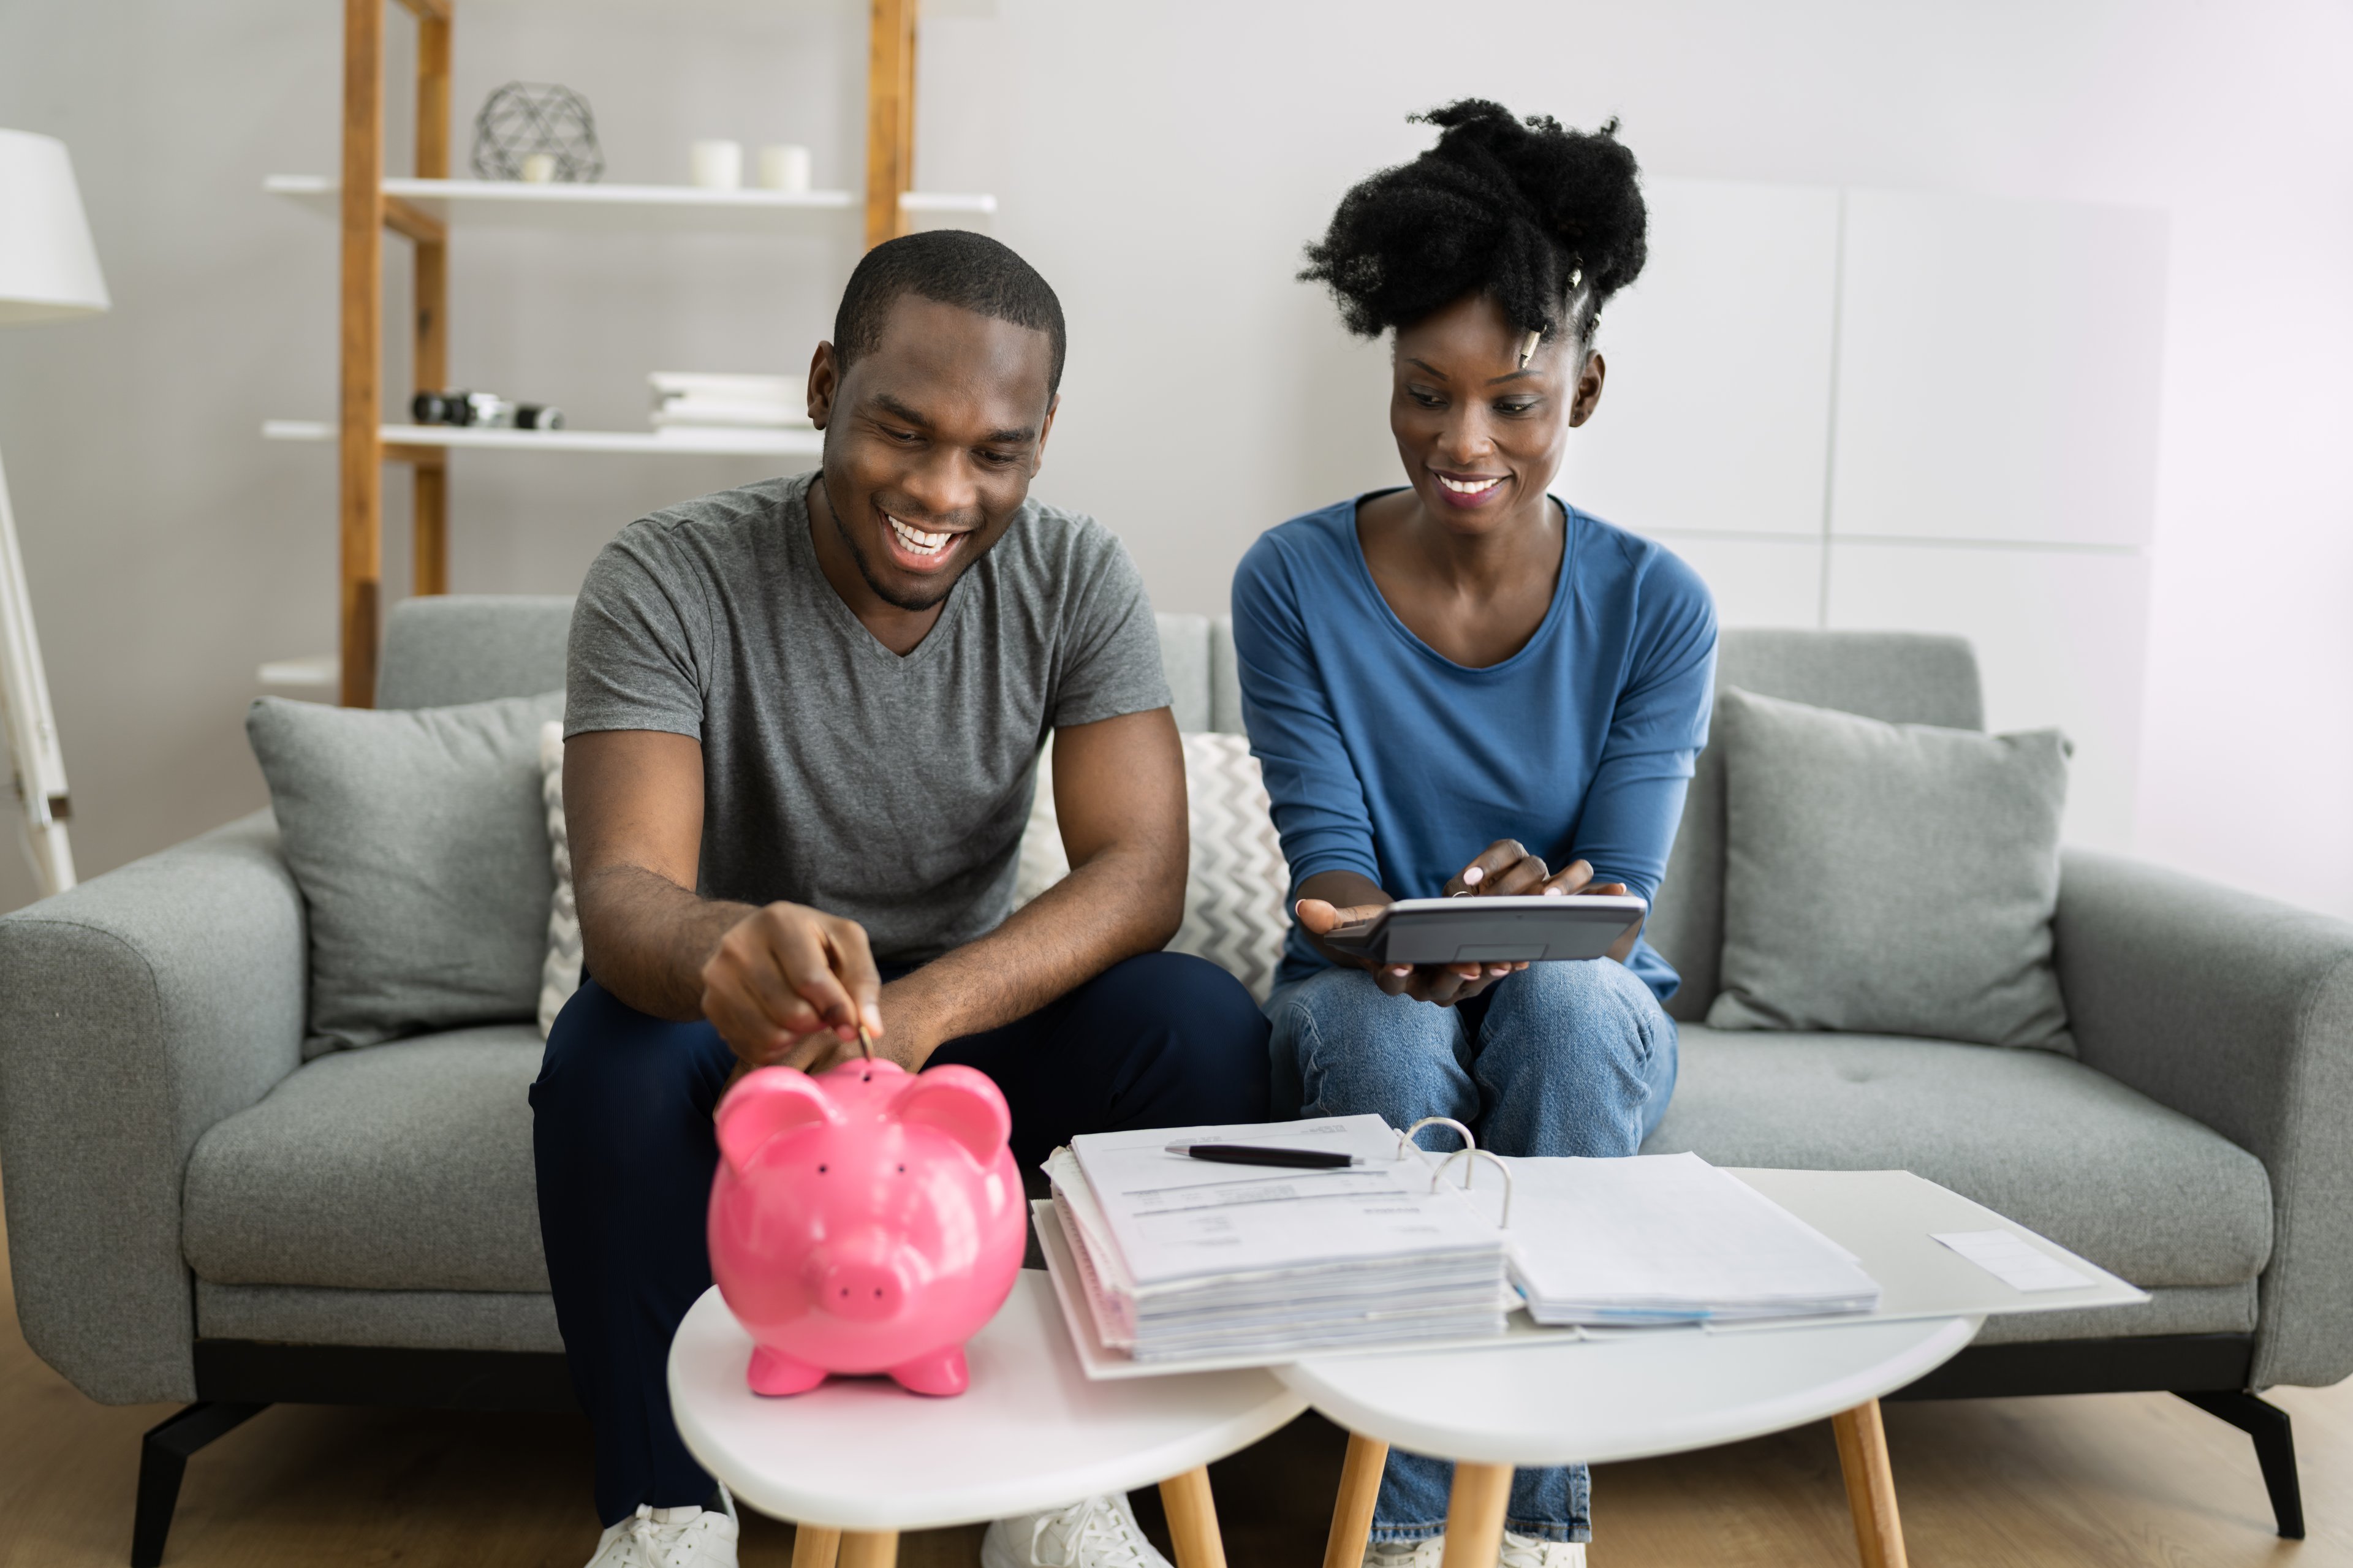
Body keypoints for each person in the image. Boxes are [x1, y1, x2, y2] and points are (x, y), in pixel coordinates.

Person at [534, 229, 1271, 1568]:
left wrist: (923, 1013)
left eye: (996, 452)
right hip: (744, 1024)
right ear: (825, 385)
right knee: (606, 1058)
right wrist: (731, 943)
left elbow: (1141, 872)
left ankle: (1065, 1486)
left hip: (959, 1023)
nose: (943, 490)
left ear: (1042, 442)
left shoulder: (1075, 574)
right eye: (903, 431)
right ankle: (667, 1512)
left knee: (1201, 1023)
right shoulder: (667, 574)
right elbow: (626, 892)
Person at [1232, 103, 1718, 1568]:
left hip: (1583, 1002)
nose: (1464, 441)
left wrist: (1544, 916)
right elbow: (1325, 859)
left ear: (1586, 386)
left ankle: (1533, 1526)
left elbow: (1620, 893)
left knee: (1563, 1006)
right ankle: (1406, 1526)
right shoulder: (1291, 580)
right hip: (1361, 988)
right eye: (1425, 393)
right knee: (1386, 1046)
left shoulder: (1657, 605)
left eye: (1515, 400)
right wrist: (1377, 932)